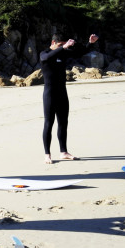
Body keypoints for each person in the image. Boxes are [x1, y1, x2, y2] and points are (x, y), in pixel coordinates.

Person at [39, 32, 99, 163]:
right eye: (61, 44)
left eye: (64, 44)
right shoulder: (44, 53)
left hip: (62, 93)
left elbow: (80, 53)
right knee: (49, 123)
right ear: (53, 43)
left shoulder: (62, 53)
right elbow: (45, 59)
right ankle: (47, 154)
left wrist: (90, 42)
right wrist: (64, 46)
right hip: (49, 94)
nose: (64, 47)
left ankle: (63, 152)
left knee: (63, 122)